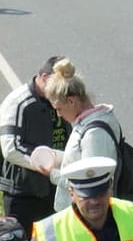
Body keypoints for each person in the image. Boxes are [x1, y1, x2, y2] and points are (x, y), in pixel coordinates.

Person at [0, 58, 67, 237]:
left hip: (56, 189)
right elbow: (11, 149)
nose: (62, 92)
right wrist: (50, 161)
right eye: (57, 86)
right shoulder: (17, 103)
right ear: (44, 77)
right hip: (23, 195)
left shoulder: (61, 98)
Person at [44, 59, 125, 209]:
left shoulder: (94, 134)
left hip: (87, 216)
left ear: (71, 101)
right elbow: (80, 160)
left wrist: (52, 174)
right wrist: (55, 156)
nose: (59, 115)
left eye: (59, 109)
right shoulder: (88, 123)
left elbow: (91, 183)